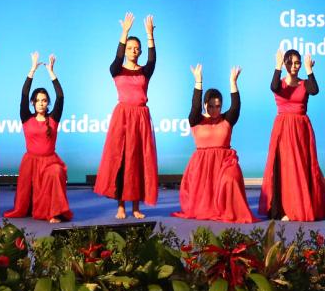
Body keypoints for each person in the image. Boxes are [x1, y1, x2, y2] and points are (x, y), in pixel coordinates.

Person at [259, 48, 325, 221]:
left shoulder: (304, 84)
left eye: (297, 63)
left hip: (301, 129)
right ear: (285, 64)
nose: (294, 66)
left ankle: (300, 206)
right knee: (283, 169)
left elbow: (315, 90)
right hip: (283, 129)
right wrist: (277, 66)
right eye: (290, 63)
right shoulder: (280, 83)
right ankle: (282, 210)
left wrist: (309, 69)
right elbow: (273, 87)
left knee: (301, 167)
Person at [93, 13, 159, 219]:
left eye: (136, 48)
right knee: (121, 161)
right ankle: (120, 205)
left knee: (137, 162)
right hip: (122, 118)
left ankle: (136, 207)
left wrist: (149, 35)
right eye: (130, 48)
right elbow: (117, 57)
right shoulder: (116, 70)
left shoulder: (145, 71)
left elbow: (152, 59)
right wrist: (124, 33)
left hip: (140, 119)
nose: (133, 51)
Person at [172, 64, 254, 223]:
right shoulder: (196, 120)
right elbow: (195, 106)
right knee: (202, 209)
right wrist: (198, 82)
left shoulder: (227, 119)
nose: (214, 110)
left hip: (224, 163)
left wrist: (233, 83)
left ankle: (229, 209)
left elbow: (236, 107)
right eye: (210, 106)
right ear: (205, 105)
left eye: (217, 106)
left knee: (231, 177)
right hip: (202, 166)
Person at [5, 52, 71, 223]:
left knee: (56, 172)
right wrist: (32, 70)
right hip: (31, 163)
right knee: (27, 205)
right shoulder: (26, 117)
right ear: (33, 103)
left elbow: (61, 96)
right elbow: (24, 94)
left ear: (47, 103)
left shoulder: (53, 118)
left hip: (50, 162)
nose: (41, 103)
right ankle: (34, 208)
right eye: (38, 100)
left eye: (44, 100)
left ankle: (55, 213)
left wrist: (51, 73)